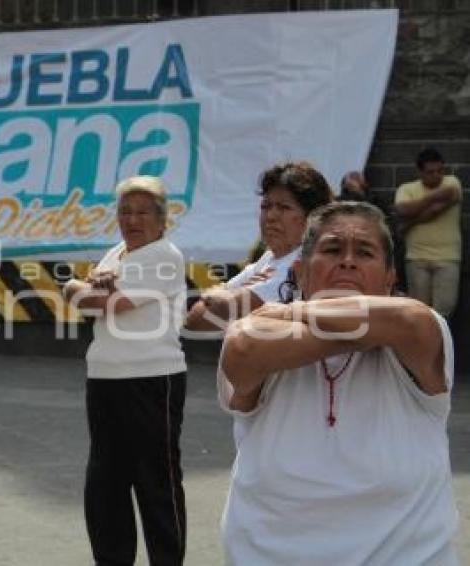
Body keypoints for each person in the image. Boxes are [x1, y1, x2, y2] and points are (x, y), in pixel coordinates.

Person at [218, 201, 458, 565]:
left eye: (364, 252)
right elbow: (244, 347)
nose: (348, 261)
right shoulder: (259, 334)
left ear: (390, 278)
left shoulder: (423, 329)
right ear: (299, 273)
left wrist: (285, 310)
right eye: (332, 249)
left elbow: (408, 322)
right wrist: (368, 328)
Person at [63, 176, 188, 566]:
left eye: (142, 212)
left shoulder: (165, 255)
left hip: (152, 379)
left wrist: (71, 287)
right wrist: (84, 289)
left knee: (156, 484)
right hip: (105, 379)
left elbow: (102, 304)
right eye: (125, 211)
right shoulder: (116, 254)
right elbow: (96, 295)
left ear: (162, 220)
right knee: (105, 485)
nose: (132, 220)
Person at [185, 162, 333, 332]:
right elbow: (195, 318)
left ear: (312, 216)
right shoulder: (270, 257)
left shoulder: (302, 263)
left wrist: (220, 295)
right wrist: (228, 294)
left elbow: (205, 316)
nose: (271, 216)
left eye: (284, 208)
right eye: (266, 206)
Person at [394, 147, 462, 318]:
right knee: (419, 311)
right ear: (420, 172)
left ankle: (441, 344)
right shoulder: (406, 188)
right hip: (417, 257)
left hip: (447, 257)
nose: (437, 176)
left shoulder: (451, 182)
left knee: (444, 309)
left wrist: (411, 222)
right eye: (430, 172)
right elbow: (402, 210)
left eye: (440, 171)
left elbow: (436, 208)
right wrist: (431, 199)